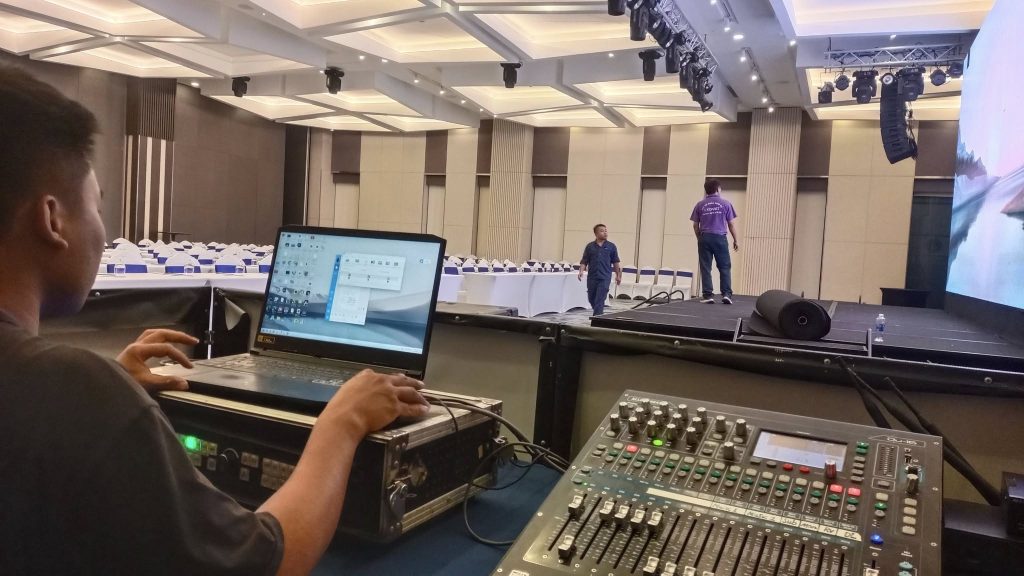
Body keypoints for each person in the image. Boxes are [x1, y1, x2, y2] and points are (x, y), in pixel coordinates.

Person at [0, 66, 430, 575]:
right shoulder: (72, 390)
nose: (104, 232)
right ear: (52, 219)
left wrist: (107, 389)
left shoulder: (66, 393)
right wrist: (343, 422)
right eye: (97, 206)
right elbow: (265, 562)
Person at [690, 179, 739, 304]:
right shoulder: (726, 203)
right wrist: (735, 240)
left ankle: (708, 295)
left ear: (706, 191)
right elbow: (731, 224)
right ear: (718, 189)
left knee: (706, 267)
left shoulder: (700, 205)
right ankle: (726, 294)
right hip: (720, 238)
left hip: (704, 237)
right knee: (724, 266)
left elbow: (695, 225)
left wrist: (700, 239)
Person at [578, 224, 621, 315]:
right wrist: (581, 271)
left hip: (605, 277)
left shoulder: (611, 246)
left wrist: (618, 275)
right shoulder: (590, 246)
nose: (605, 233)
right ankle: (599, 314)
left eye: (606, 231)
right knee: (591, 298)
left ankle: (597, 319)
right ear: (596, 233)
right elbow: (584, 260)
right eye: (602, 231)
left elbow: (616, 262)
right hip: (592, 277)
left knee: (600, 299)